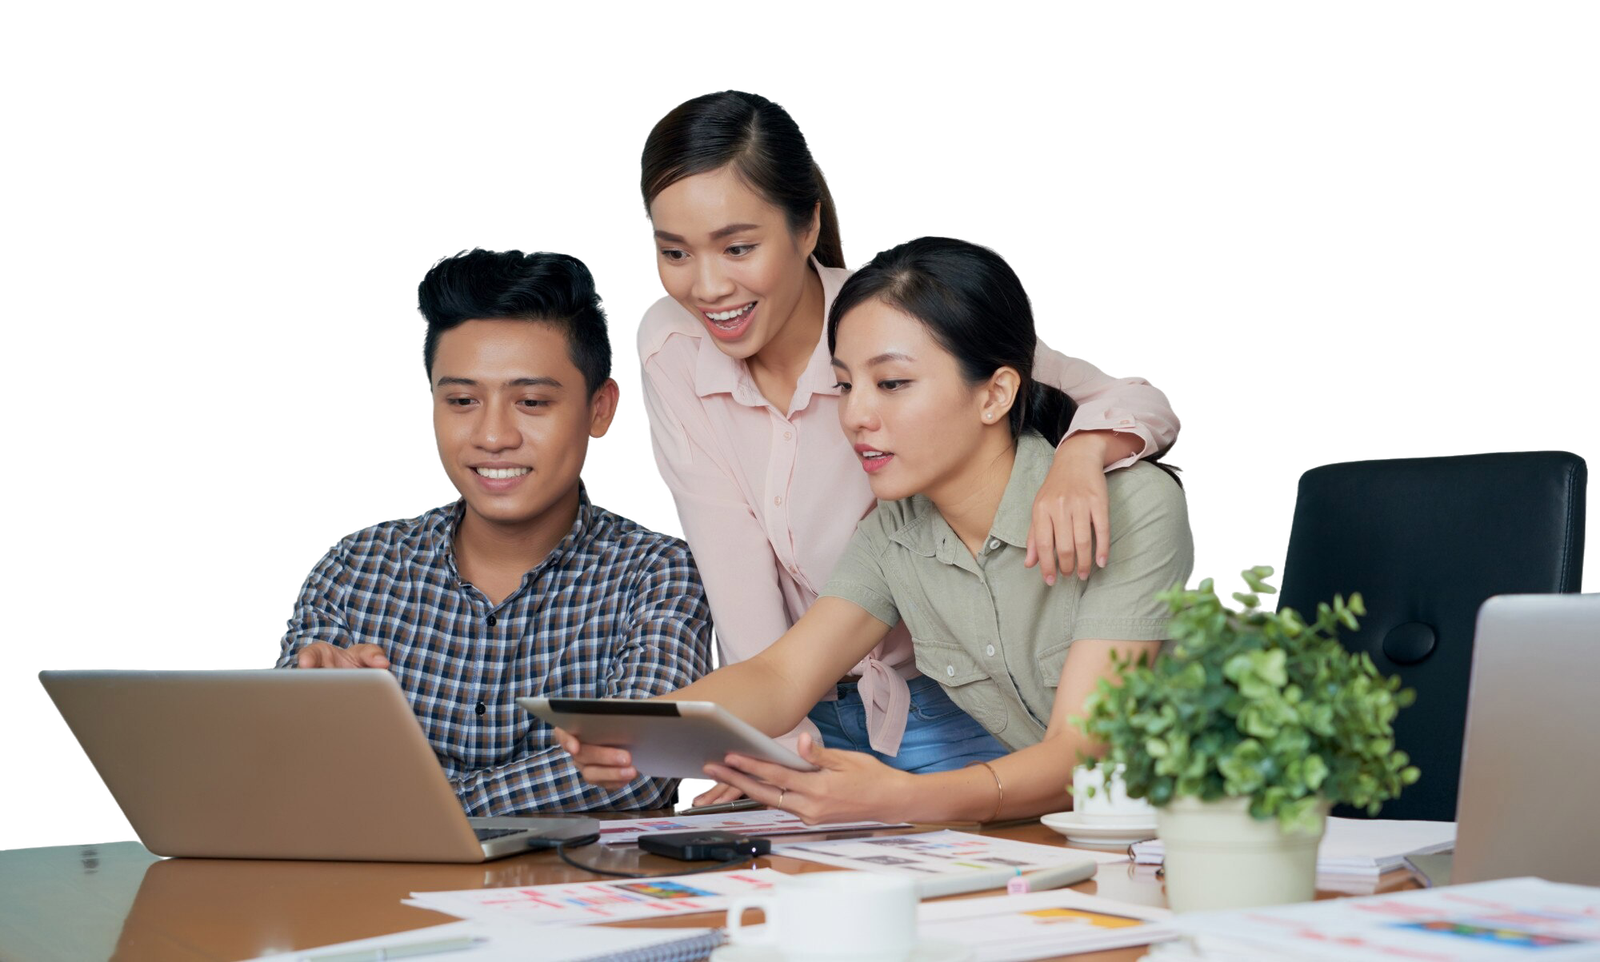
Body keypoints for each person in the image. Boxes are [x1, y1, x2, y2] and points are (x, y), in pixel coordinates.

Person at [636, 91, 1183, 796]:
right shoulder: (892, 532)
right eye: (673, 251)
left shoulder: (908, 315)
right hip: (820, 714)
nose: (707, 284)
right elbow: (768, 653)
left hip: (959, 717)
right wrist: (652, 730)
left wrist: (1085, 453)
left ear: (806, 227)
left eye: (738, 246)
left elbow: (1112, 392)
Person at [564, 237, 1195, 823]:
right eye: (844, 385)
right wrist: (639, 727)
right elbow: (782, 676)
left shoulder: (1132, 506)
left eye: (892, 383)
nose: (857, 415)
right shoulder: (893, 533)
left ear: (996, 394)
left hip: (1205, 837)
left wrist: (903, 798)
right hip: (1078, 841)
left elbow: (1085, 751)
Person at [276, 248, 714, 814]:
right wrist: (308, 713)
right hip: (371, 894)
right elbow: (288, 764)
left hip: (582, 895)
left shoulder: (657, 575)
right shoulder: (355, 568)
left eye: (531, 401)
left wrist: (426, 809)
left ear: (601, 410)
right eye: (462, 400)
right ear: (433, 410)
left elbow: (640, 767)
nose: (492, 436)